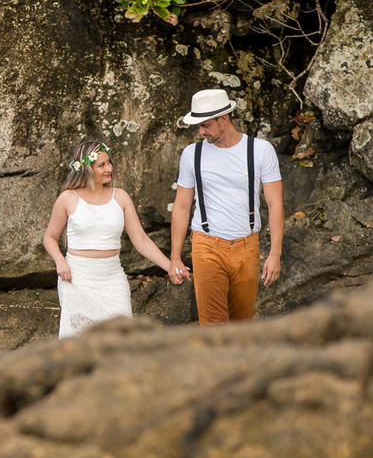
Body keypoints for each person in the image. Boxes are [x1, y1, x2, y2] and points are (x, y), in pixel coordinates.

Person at [168, 89, 284, 324]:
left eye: (206, 125)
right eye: (198, 126)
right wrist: (175, 258)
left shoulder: (260, 150)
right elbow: (181, 207)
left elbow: (275, 204)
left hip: (247, 245)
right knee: (213, 326)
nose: (201, 132)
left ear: (224, 119)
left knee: (242, 324)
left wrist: (275, 254)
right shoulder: (192, 154)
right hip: (206, 244)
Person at [43, 141, 180, 338]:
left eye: (109, 163)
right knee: (79, 342)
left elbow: (141, 240)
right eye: (102, 165)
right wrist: (60, 262)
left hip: (112, 279)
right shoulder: (67, 198)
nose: (109, 168)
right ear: (87, 169)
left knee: (121, 339)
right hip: (77, 278)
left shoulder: (121, 197)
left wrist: (170, 267)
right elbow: (49, 237)